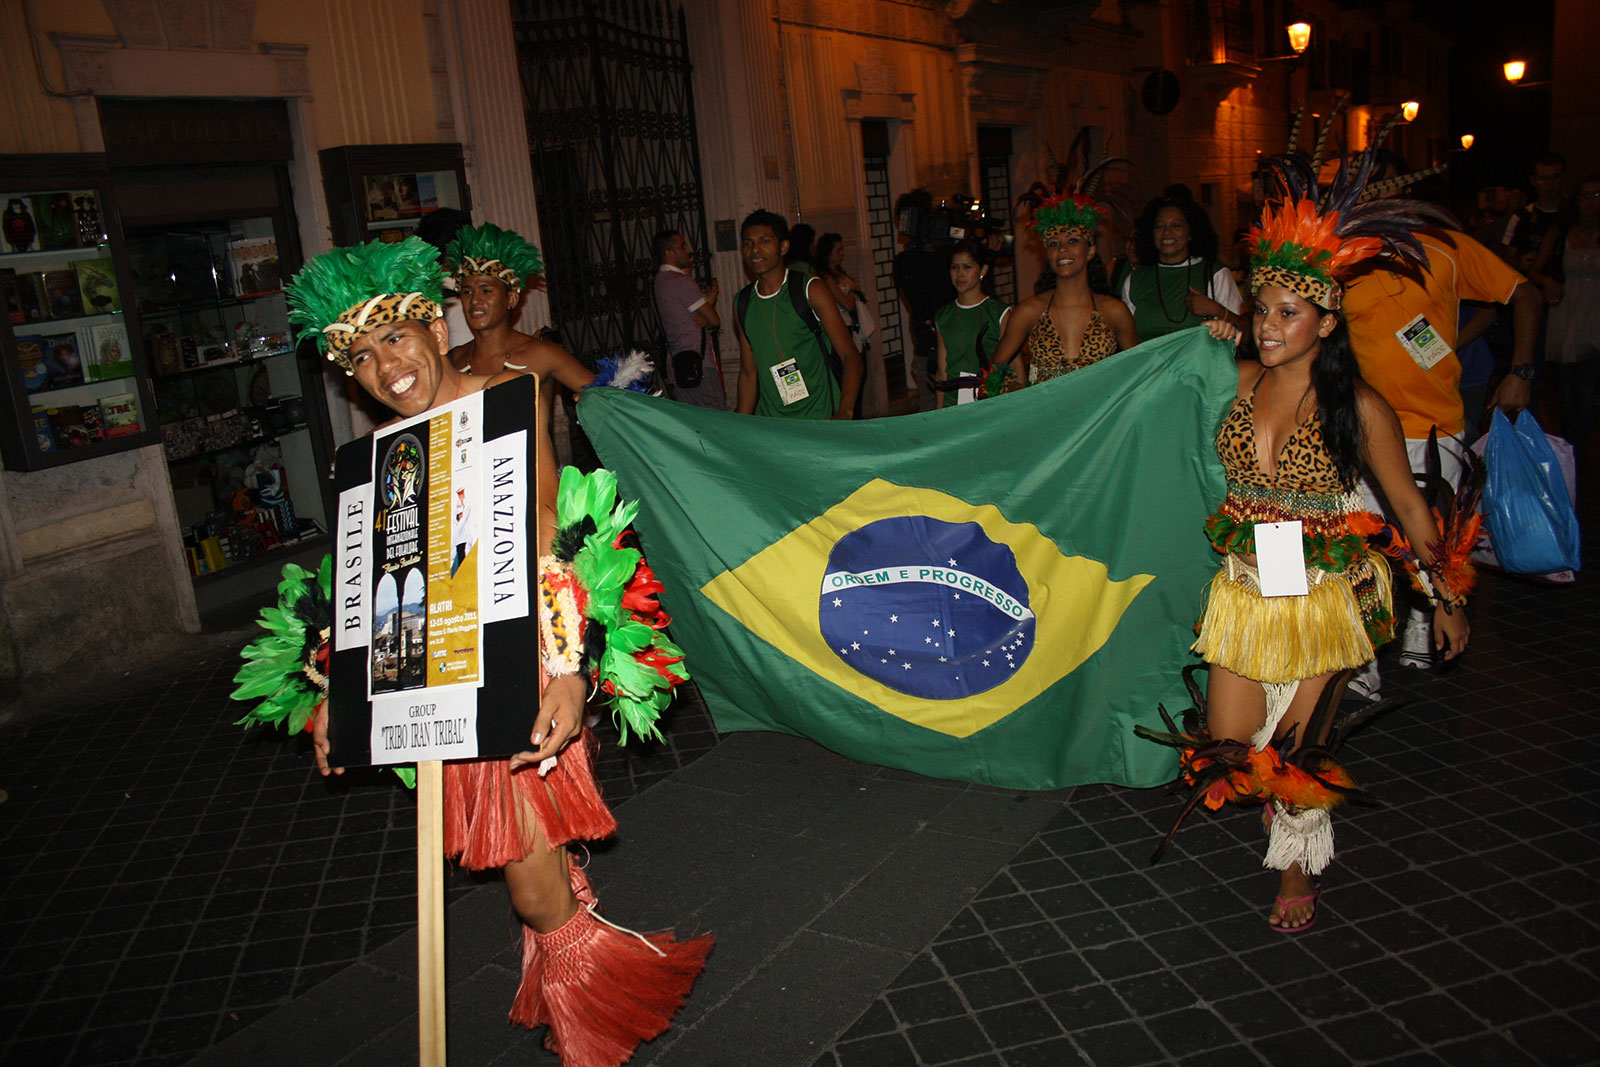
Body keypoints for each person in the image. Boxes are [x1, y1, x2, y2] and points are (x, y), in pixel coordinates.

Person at [283, 236, 711, 1061]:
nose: (386, 366)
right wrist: (337, 689)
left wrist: (571, 670)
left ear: (434, 332)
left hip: (520, 664)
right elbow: (368, 586)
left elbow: (553, 534)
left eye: (396, 337)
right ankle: (581, 993)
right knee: (531, 873)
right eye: (363, 357)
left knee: (526, 876)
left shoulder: (508, 398)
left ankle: (597, 1019)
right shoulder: (375, 458)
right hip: (434, 676)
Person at [1193, 166, 1471, 932]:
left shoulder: (1359, 407)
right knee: (1229, 742)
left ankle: (1296, 865)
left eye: (1289, 311)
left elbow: (1412, 506)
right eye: (1261, 309)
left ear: (1327, 319)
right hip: (1245, 587)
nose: (1268, 324)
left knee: (1292, 755)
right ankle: (1283, 819)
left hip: (1320, 598)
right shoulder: (1240, 376)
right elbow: (1163, 374)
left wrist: (1445, 596)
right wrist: (1208, 333)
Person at [1342, 211, 1538, 681]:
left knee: (1432, 541)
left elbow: (1523, 294)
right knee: (1356, 548)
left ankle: (1422, 624)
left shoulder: (1446, 246)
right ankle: (1363, 660)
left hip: (1436, 426)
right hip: (1364, 426)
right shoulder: (1343, 253)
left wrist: (1521, 370)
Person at [444, 223, 595, 429]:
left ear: (511, 299)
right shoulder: (453, 360)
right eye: (467, 292)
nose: (475, 300)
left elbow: (611, 399)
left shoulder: (542, 354)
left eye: (486, 291)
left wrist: (593, 404)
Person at [989, 190, 1137, 385]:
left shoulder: (1114, 311)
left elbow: (1139, 372)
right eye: (1053, 243)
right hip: (1043, 414)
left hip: (1099, 415)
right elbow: (992, 373)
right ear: (1047, 254)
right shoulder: (1029, 311)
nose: (1062, 249)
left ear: (1091, 251)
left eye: (1073, 241)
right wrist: (1017, 391)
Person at [733, 209, 862, 420]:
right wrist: (741, 425)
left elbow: (851, 356)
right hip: (774, 426)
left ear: (783, 247)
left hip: (820, 419)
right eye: (748, 243)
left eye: (764, 241)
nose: (755, 250)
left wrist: (845, 410)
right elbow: (748, 374)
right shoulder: (743, 302)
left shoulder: (810, 289)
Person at [1120, 186, 1245, 338]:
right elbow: (1127, 339)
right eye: (1160, 226)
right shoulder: (1135, 280)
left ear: (1191, 232)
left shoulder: (1215, 274)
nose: (1167, 232)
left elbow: (1245, 332)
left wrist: (1216, 310)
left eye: (1176, 225)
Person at [1545, 175, 1600, 460]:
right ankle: (1569, 451)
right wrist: (1549, 283)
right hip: (1567, 318)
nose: (1590, 202)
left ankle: (1578, 450)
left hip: (1595, 318)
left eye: (1596, 195)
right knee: (1567, 394)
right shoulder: (1562, 233)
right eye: (1585, 195)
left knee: (1587, 393)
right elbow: (1534, 269)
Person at [893, 190, 958, 408]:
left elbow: (911, 302)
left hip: (937, 345)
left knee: (933, 409)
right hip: (936, 345)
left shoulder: (906, 261)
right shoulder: (945, 257)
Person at [652, 228, 726, 410]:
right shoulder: (680, 282)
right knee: (718, 420)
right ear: (668, 253)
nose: (688, 250)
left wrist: (704, 313)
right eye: (682, 246)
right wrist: (706, 315)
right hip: (698, 365)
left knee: (693, 424)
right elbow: (715, 320)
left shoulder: (659, 282)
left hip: (677, 366)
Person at [933, 239, 1008, 406]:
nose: (959, 274)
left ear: (983, 270)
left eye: (967, 267)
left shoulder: (999, 312)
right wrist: (939, 414)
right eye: (954, 267)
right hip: (953, 403)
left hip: (990, 401)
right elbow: (942, 371)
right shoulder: (943, 316)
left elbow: (1014, 368)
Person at [813, 232, 876, 418]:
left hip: (855, 330)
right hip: (841, 331)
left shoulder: (840, 274)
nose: (842, 254)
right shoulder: (825, 278)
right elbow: (847, 303)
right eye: (838, 250)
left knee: (859, 376)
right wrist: (854, 294)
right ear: (827, 252)